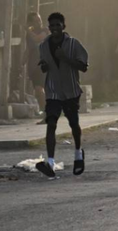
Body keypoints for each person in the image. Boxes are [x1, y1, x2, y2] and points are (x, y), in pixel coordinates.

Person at [34, 13, 90, 178]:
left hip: (71, 90)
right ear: (49, 27)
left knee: (74, 124)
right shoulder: (43, 46)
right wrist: (44, 66)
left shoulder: (74, 44)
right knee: (51, 123)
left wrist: (65, 58)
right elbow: (45, 66)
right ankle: (50, 162)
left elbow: (84, 66)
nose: (55, 28)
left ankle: (78, 153)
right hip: (53, 91)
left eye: (58, 25)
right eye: (52, 26)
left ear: (64, 26)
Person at [24, 12, 50, 112]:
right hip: (34, 66)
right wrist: (21, 65)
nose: (39, 22)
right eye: (35, 21)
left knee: (41, 89)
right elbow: (28, 50)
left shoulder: (45, 30)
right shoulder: (29, 35)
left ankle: (47, 113)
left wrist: (28, 30)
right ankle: (45, 112)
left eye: (39, 20)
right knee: (38, 91)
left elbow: (37, 39)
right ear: (31, 23)